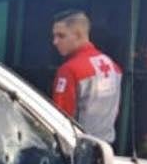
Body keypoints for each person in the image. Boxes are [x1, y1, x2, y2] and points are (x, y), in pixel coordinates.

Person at [51, 10, 123, 144]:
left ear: (78, 35)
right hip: (106, 146)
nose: (55, 42)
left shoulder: (69, 70)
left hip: (79, 146)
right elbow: (115, 111)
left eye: (61, 36)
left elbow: (61, 117)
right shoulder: (114, 67)